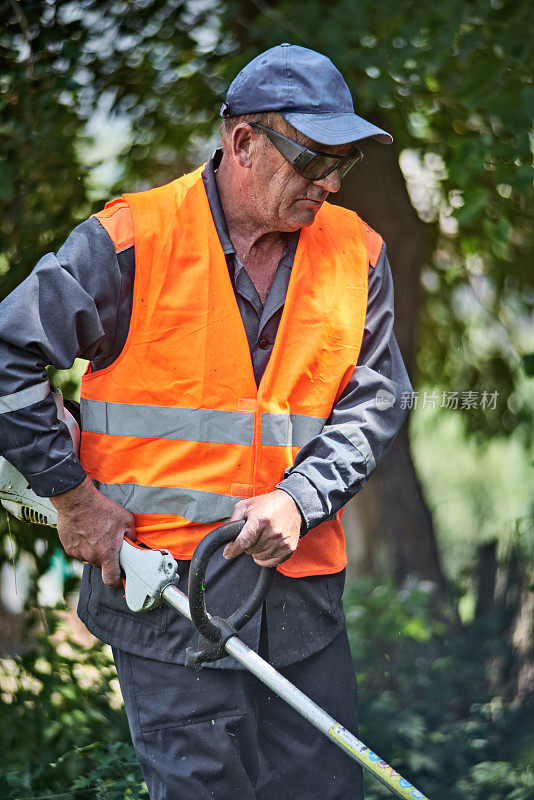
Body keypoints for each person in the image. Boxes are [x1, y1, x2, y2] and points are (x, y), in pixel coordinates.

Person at [0, 44, 413, 799]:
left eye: (342, 163)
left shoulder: (359, 253)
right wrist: (72, 498)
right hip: (164, 598)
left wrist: (299, 498)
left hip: (300, 607)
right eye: (312, 157)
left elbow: (380, 399)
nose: (329, 182)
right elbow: (7, 354)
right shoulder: (131, 240)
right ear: (242, 141)